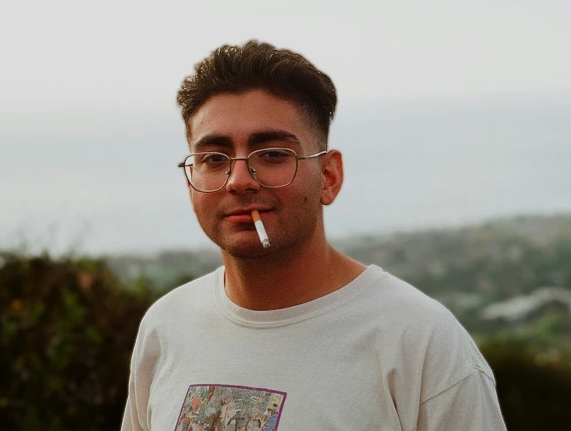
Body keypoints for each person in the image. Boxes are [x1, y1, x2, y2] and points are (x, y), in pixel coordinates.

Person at [121, 41, 507, 431]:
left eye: (272, 154)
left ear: (328, 176)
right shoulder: (166, 327)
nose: (238, 180)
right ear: (191, 182)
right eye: (214, 159)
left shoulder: (420, 344)